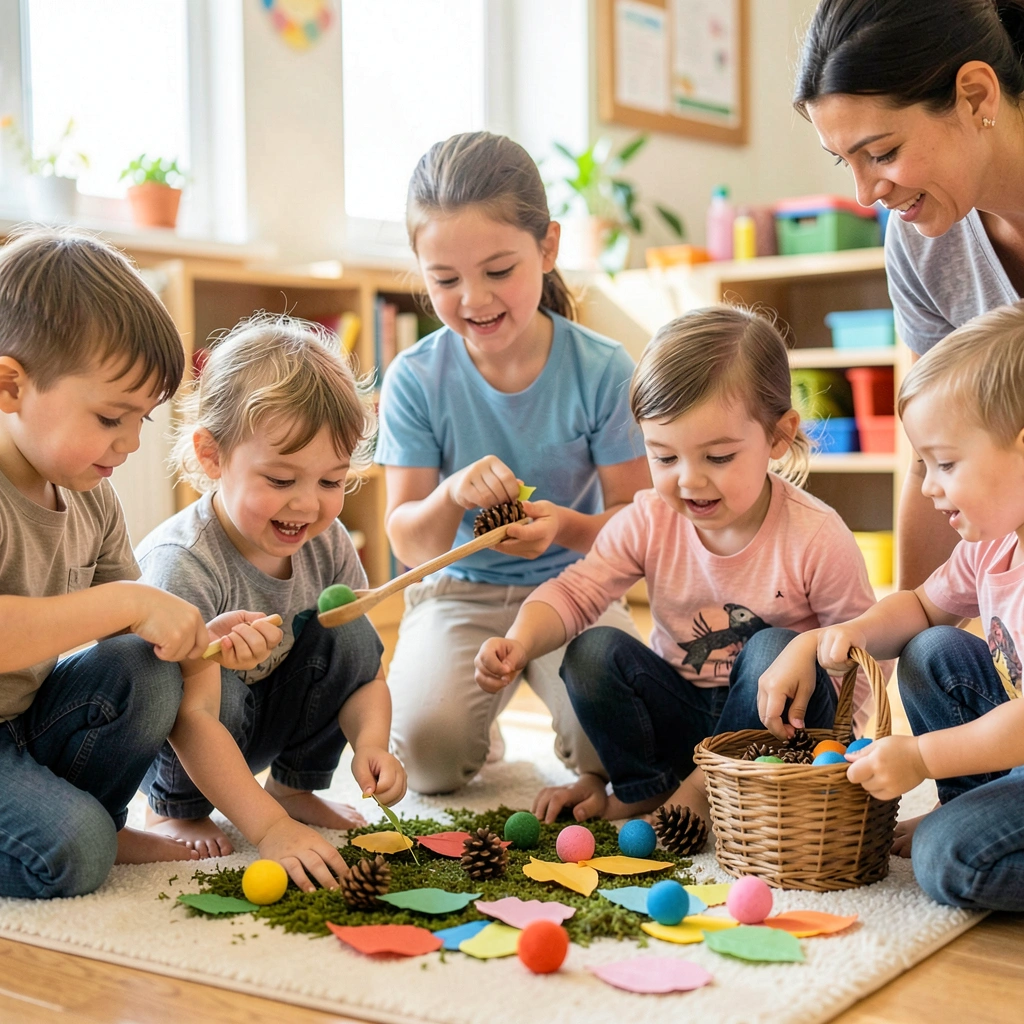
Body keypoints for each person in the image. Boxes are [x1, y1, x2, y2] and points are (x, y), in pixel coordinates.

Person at [476, 306, 883, 823]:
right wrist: (519, 641)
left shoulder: (816, 535)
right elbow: (576, 592)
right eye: (665, 458)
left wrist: (842, 751)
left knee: (772, 649)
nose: (688, 481)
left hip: (776, 738)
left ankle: (706, 794)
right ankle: (648, 787)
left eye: (717, 458)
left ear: (778, 438)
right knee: (592, 650)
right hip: (681, 718)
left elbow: (866, 651)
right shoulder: (650, 517)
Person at [376, 131, 650, 795]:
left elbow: (639, 526)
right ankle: (476, 720)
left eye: (499, 271)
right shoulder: (416, 377)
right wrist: (448, 496)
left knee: (622, 751)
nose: (474, 299)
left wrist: (563, 529)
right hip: (457, 592)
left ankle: (546, 706)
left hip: (573, 588)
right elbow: (409, 542)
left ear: (548, 248)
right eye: (445, 280)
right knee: (427, 763)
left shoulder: (602, 368)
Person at [759, 303, 1024, 912]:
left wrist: (923, 757)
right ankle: (969, 810)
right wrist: (834, 635)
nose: (929, 486)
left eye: (947, 463)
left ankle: (961, 827)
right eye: (923, 465)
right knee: (932, 651)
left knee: (946, 859)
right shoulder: (993, 545)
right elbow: (920, 608)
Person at [138, 317, 406, 892]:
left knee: (353, 632)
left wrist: (373, 744)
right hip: (191, 731)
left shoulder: (328, 542)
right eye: (281, 479)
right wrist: (269, 830)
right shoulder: (183, 562)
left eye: (332, 481)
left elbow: (365, 673)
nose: (308, 505)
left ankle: (293, 784)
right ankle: (172, 806)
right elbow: (189, 718)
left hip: (260, 716)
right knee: (214, 686)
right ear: (212, 457)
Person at [0, 228, 215, 899]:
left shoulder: (91, 496)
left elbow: (132, 638)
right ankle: (86, 829)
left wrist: (199, 636)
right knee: (72, 855)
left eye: (141, 420)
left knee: (145, 670)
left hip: (23, 724)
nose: (127, 442)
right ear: (11, 386)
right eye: (109, 416)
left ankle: (96, 819)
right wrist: (130, 603)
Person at [794, 0, 1024, 589]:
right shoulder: (922, 243)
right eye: (844, 161)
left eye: (883, 153)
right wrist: (901, 646)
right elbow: (932, 446)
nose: (866, 192)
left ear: (975, 96)